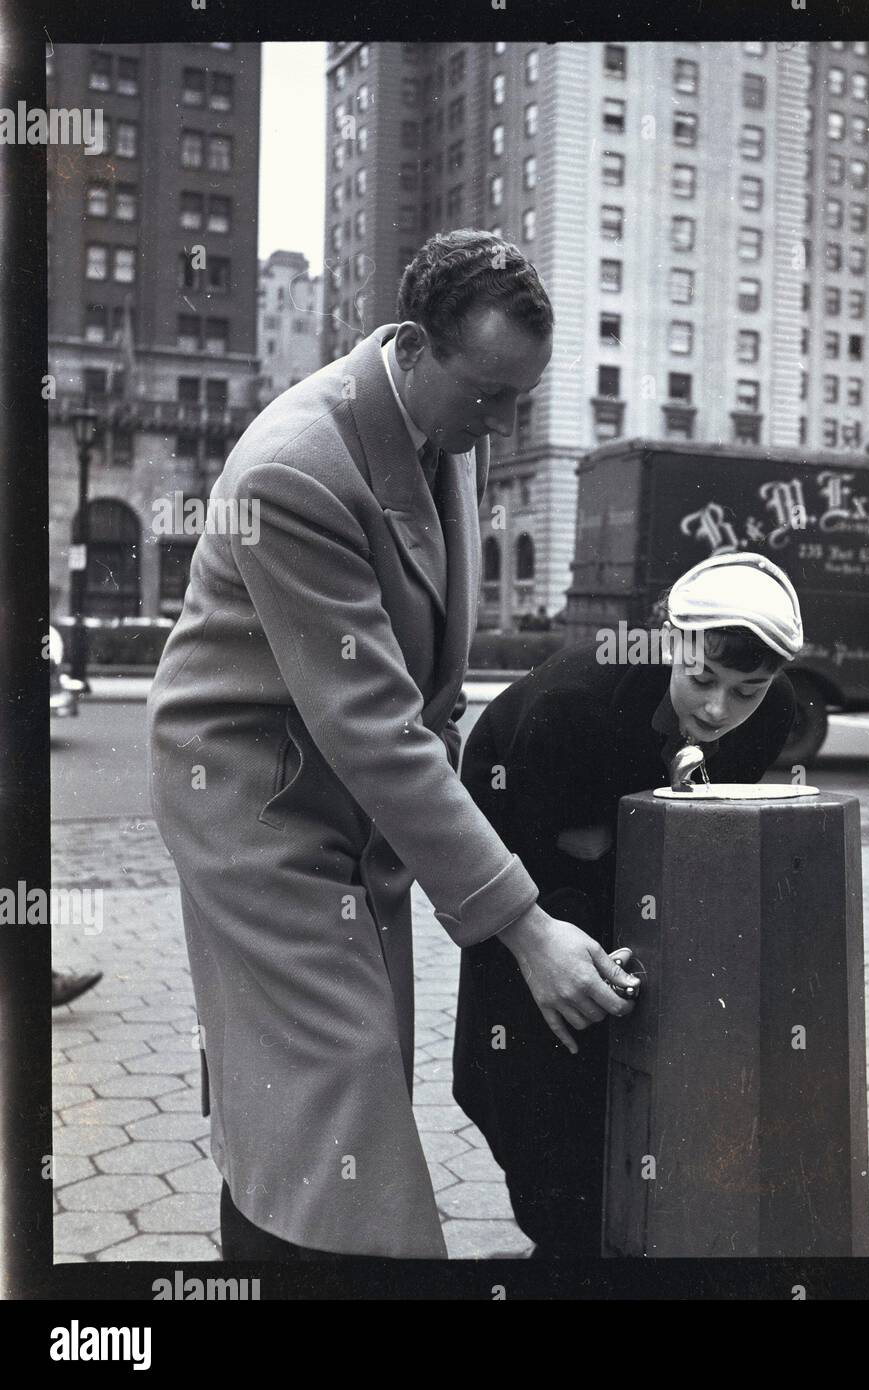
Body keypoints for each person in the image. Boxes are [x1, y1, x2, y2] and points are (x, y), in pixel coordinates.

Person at [146, 230, 637, 1262]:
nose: (498, 425)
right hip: (261, 811)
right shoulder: (295, 470)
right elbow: (375, 724)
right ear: (413, 346)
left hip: (355, 808)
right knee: (346, 1108)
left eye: (518, 403)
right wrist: (525, 927)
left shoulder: (432, 429)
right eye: (487, 396)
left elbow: (417, 712)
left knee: (311, 1108)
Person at [453, 553, 803, 1257]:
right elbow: (504, 849)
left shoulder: (773, 719)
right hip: (520, 847)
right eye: (703, 679)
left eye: (747, 691)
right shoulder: (570, 709)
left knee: (628, 1070)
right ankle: (562, 1238)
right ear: (672, 643)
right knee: (526, 1070)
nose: (718, 709)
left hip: (618, 868)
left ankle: (605, 1234)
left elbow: (705, 827)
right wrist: (550, 925)